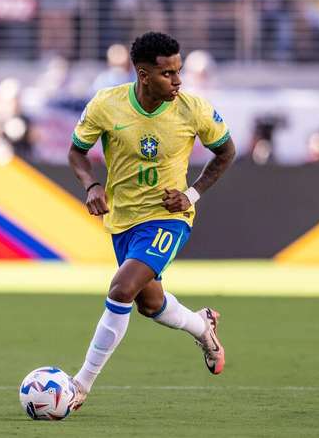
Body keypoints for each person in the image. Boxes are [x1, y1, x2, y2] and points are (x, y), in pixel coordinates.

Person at [67, 32, 236, 411]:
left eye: (178, 71)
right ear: (143, 75)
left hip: (168, 218)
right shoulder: (106, 105)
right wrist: (92, 183)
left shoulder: (193, 109)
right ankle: (201, 326)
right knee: (149, 303)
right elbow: (77, 153)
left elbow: (226, 152)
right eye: (167, 74)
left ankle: (81, 384)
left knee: (121, 289)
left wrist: (191, 194)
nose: (177, 81)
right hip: (124, 221)